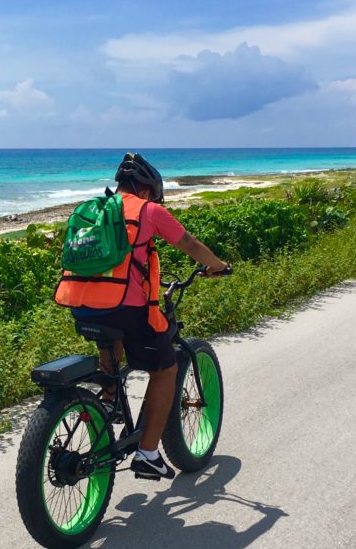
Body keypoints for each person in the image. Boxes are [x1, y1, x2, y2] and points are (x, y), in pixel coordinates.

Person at [54, 153, 229, 480]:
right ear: (148, 190)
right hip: (126, 308)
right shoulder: (149, 211)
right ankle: (147, 454)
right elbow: (188, 243)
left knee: (112, 339)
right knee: (165, 370)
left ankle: (109, 400)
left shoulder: (93, 210)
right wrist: (217, 265)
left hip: (79, 305)